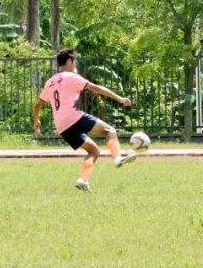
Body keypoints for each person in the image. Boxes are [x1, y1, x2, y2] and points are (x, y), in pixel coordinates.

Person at [32, 48, 138, 192]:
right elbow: (97, 88)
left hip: (61, 126)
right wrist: (120, 99)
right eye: (75, 62)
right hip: (73, 116)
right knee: (109, 131)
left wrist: (36, 122)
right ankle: (117, 157)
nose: (76, 65)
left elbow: (38, 105)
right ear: (69, 61)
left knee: (94, 151)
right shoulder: (71, 77)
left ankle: (83, 180)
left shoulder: (50, 82)